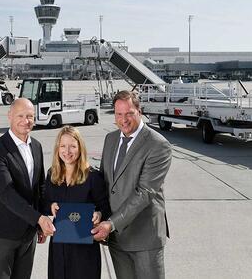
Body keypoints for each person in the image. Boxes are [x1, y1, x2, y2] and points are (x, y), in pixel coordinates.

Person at [91, 90, 172, 279]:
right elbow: (105, 181)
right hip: (117, 238)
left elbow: (145, 192)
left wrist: (110, 224)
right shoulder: (110, 139)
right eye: (119, 114)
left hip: (145, 237)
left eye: (129, 113)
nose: (123, 120)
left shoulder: (157, 145)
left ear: (139, 111)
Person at [0, 98, 56, 279]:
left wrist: (42, 218)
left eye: (30, 116)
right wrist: (38, 218)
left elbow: (39, 187)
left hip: (27, 233)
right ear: (10, 116)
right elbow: (6, 193)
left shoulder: (36, 146)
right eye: (21, 116)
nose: (26, 121)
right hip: (2, 234)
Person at [43, 126, 111, 279]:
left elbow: (106, 207)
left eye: (72, 146)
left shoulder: (92, 177)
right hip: (59, 247)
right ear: (57, 148)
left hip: (84, 249)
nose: (67, 151)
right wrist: (50, 205)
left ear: (80, 148)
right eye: (63, 146)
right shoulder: (52, 175)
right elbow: (44, 201)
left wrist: (99, 214)